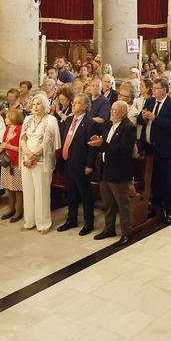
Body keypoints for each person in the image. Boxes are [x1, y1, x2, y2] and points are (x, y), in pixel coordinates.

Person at [89, 100, 136, 243]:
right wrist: (99, 142)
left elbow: (123, 149)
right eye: (111, 109)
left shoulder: (129, 127)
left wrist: (103, 144)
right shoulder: (109, 124)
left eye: (115, 110)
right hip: (105, 169)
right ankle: (109, 229)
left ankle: (127, 233)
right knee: (108, 202)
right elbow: (106, 143)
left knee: (123, 204)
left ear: (123, 112)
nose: (111, 112)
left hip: (119, 171)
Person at [141, 78, 171, 224]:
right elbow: (141, 120)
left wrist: (155, 118)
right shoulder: (149, 101)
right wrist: (143, 117)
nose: (153, 91)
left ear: (164, 89)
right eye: (153, 88)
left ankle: (170, 210)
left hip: (165, 148)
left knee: (166, 179)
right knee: (153, 178)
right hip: (150, 146)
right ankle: (155, 205)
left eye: (156, 88)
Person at [20, 93, 60, 234]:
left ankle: (43, 224)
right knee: (28, 192)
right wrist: (27, 153)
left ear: (45, 105)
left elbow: (49, 141)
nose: (35, 107)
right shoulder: (28, 119)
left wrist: (35, 154)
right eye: (34, 104)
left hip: (42, 160)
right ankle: (29, 221)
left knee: (41, 193)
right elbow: (22, 139)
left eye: (38, 104)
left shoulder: (51, 120)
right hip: (27, 159)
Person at [57, 93, 97, 235]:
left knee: (85, 195)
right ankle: (71, 219)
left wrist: (89, 165)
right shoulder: (69, 120)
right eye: (74, 102)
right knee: (71, 193)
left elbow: (93, 147)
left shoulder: (90, 123)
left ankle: (89, 223)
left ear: (85, 106)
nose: (74, 104)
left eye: (78, 103)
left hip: (81, 164)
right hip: (67, 162)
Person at [0, 107, 24, 222]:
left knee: (17, 189)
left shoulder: (20, 129)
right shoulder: (8, 128)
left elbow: (22, 148)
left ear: (13, 117)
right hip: (6, 161)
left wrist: (8, 146)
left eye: (7, 117)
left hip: (16, 162)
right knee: (9, 187)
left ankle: (19, 211)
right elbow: (4, 142)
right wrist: (1, 147)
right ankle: (11, 208)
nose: (5, 119)